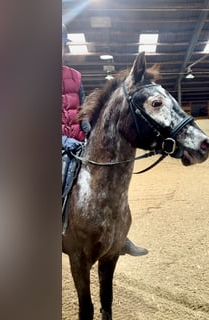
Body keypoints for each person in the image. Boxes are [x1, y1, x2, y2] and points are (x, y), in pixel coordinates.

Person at [62, 24, 148, 256]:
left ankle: (118, 235)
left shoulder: (75, 76)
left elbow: (82, 109)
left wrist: (88, 129)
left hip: (78, 141)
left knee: (110, 180)